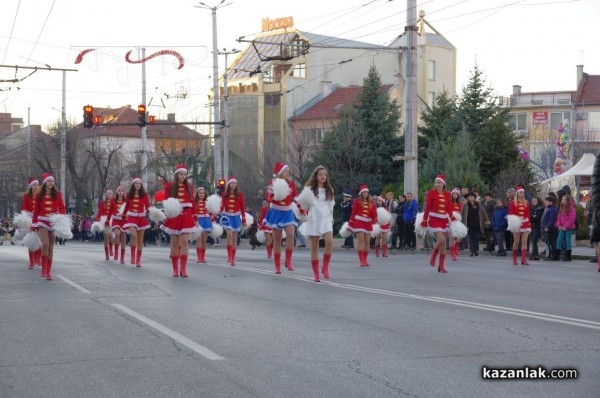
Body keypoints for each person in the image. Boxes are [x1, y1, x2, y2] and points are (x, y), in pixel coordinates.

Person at [160, 165, 198, 276]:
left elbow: (192, 202)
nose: (183, 176)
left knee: (185, 241)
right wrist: (168, 213)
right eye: (181, 174)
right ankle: (175, 268)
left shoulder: (189, 186)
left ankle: (183, 268)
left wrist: (195, 217)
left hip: (186, 215)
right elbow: (166, 201)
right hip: (174, 215)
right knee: (175, 243)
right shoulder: (169, 186)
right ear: (177, 175)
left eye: (184, 174)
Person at [263, 162, 299, 274]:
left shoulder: (291, 183)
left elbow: (295, 197)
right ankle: (277, 265)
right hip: (276, 212)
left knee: (291, 234)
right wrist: (274, 196)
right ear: (280, 173)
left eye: (288, 171)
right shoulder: (272, 183)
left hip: (288, 211)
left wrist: (302, 209)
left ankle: (288, 260)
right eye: (285, 171)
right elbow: (268, 197)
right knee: (277, 239)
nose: (287, 173)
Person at [31, 173, 66, 281]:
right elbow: (36, 210)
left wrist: (62, 219)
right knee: (45, 244)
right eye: (49, 181)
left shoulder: (58, 194)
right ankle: (43, 268)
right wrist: (33, 223)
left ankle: (48, 271)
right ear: (45, 182)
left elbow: (62, 208)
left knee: (51, 246)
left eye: (52, 181)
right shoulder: (39, 195)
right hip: (42, 221)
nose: (51, 183)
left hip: (53, 222)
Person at [303, 165, 335, 282]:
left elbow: (331, 206)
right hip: (314, 218)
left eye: (325, 175)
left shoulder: (330, 190)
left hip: (326, 218)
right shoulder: (309, 190)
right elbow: (304, 205)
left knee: (330, 242)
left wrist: (331, 219)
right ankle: (316, 273)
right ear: (316, 176)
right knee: (315, 247)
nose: (323, 176)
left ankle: (325, 267)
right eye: (320, 174)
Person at [421, 175, 455, 273]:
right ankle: (434, 254)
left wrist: (451, 216)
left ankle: (441, 266)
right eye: (436, 182)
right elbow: (427, 207)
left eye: (439, 183)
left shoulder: (448, 194)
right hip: (434, 220)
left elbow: (448, 206)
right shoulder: (431, 193)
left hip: (444, 220)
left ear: (443, 184)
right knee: (442, 239)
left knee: (443, 243)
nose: (437, 185)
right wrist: (424, 219)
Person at [122, 176, 151, 267]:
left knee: (140, 240)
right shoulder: (129, 195)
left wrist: (151, 212)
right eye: (136, 183)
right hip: (131, 217)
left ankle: (138, 259)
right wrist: (123, 214)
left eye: (139, 184)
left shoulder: (144, 195)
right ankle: (132, 256)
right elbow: (126, 206)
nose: (138, 185)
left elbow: (147, 206)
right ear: (133, 185)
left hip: (141, 218)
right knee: (134, 235)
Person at [348, 184, 377, 267]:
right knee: (361, 241)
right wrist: (351, 222)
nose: (365, 194)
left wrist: (376, 219)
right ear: (361, 193)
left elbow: (373, 213)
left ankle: (365, 259)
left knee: (367, 242)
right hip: (358, 222)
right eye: (364, 192)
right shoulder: (357, 201)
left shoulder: (371, 202)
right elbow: (353, 212)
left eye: (367, 192)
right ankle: (361, 260)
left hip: (367, 222)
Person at [220, 176, 246, 266]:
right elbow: (221, 206)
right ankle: (229, 256)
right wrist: (217, 210)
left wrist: (244, 219)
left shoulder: (240, 194)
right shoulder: (224, 194)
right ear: (228, 184)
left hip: (236, 218)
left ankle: (233, 258)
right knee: (229, 235)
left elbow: (242, 207)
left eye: (235, 183)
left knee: (235, 238)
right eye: (231, 183)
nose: (233, 185)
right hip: (227, 217)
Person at [461, 192, 490, 257]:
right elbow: (462, 213)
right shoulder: (465, 204)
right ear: (468, 198)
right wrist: (460, 221)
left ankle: (475, 250)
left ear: (474, 197)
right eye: (470, 197)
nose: (471, 198)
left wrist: (487, 220)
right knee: (471, 238)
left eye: (472, 197)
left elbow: (484, 212)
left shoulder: (478, 204)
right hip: (469, 224)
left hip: (478, 224)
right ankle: (471, 251)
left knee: (477, 237)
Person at [21, 177, 41, 269]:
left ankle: (38, 259)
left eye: (37, 185)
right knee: (31, 240)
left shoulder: (42, 195)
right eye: (34, 185)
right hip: (30, 219)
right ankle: (31, 261)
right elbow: (24, 208)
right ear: (31, 186)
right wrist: (25, 218)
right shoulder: (26, 195)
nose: (36, 186)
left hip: (40, 219)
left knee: (40, 240)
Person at [509, 185, 532, 266]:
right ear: (517, 194)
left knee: (524, 241)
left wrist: (529, 222)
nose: (522, 194)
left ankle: (524, 259)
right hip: (516, 223)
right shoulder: (512, 203)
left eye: (523, 192)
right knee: (516, 242)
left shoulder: (527, 202)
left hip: (525, 223)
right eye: (520, 192)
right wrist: (517, 219)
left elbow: (528, 214)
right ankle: (514, 259)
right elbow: (511, 214)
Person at [555, 194, 576, 262]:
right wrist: (559, 226)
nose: (563, 201)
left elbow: (571, 219)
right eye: (562, 199)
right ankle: (557, 255)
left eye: (564, 199)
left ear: (568, 201)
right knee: (559, 240)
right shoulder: (561, 208)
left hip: (569, 228)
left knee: (568, 241)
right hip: (562, 228)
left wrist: (566, 226)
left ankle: (568, 256)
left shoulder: (572, 209)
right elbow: (558, 219)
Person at [194, 186, 212, 263]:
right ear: (197, 194)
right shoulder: (194, 202)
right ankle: (199, 257)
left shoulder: (208, 202)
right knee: (199, 239)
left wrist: (212, 219)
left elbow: (211, 212)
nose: (201, 194)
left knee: (204, 240)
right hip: (198, 221)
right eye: (200, 193)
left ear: (205, 194)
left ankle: (203, 257)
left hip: (206, 221)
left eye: (203, 193)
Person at [111, 185, 128, 264]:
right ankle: (116, 252)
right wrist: (108, 220)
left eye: (122, 191)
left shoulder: (126, 201)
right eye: (119, 191)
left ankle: (122, 256)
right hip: (116, 220)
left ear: (123, 192)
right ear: (117, 192)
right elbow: (111, 211)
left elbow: (129, 209)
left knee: (124, 238)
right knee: (117, 234)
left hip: (124, 220)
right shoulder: (113, 201)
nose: (121, 192)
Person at [96, 190, 114, 261]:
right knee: (106, 237)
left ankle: (111, 249)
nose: (110, 196)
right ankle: (107, 254)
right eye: (108, 194)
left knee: (110, 236)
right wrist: (98, 220)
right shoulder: (102, 203)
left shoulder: (114, 202)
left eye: (111, 194)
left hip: (111, 220)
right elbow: (100, 211)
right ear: (106, 195)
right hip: (104, 220)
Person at [448, 187, 463, 260]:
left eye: (456, 194)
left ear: (458, 195)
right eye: (453, 193)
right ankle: (452, 254)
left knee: (460, 236)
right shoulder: (449, 202)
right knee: (452, 237)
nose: (454, 195)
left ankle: (456, 248)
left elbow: (461, 213)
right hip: (450, 221)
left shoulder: (460, 203)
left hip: (458, 221)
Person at [528, 196, 544, 260]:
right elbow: (530, 217)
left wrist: (532, 217)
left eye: (535, 201)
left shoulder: (540, 208)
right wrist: (532, 217)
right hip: (532, 226)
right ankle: (535, 254)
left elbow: (537, 218)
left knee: (534, 241)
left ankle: (534, 255)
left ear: (538, 201)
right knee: (533, 241)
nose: (533, 202)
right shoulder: (532, 208)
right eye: (533, 201)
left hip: (537, 226)